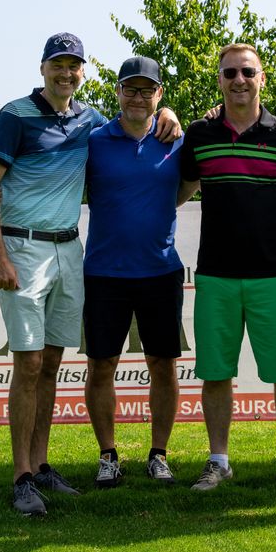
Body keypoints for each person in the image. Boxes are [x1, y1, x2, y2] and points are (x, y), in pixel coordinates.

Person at [0, 33, 180, 516]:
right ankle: (22, 476)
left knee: (49, 363)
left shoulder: (88, 121)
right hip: (22, 249)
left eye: (74, 66)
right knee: (27, 365)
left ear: (83, 73)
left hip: (69, 249)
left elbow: (142, 127)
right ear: (43, 68)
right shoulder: (14, 116)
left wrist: (166, 118)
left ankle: (42, 465)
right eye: (57, 65)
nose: (66, 74)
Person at [177, 43, 276, 491]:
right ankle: (218, 460)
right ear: (219, 79)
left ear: (262, 78)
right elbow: (175, 193)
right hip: (215, 274)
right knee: (217, 373)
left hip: (273, 274)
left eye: (247, 72)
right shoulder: (199, 134)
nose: (239, 80)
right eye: (230, 73)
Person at [83, 56, 185, 489]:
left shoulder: (176, 140)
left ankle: (158, 454)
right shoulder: (94, 141)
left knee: (163, 365)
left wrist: (175, 120)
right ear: (119, 93)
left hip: (160, 271)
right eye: (131, 88)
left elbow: (183, 191)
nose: (138, 97)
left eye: (148, 90)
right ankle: (108, 455)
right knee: (101, 364)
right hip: (104, 272)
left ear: (159, 95)